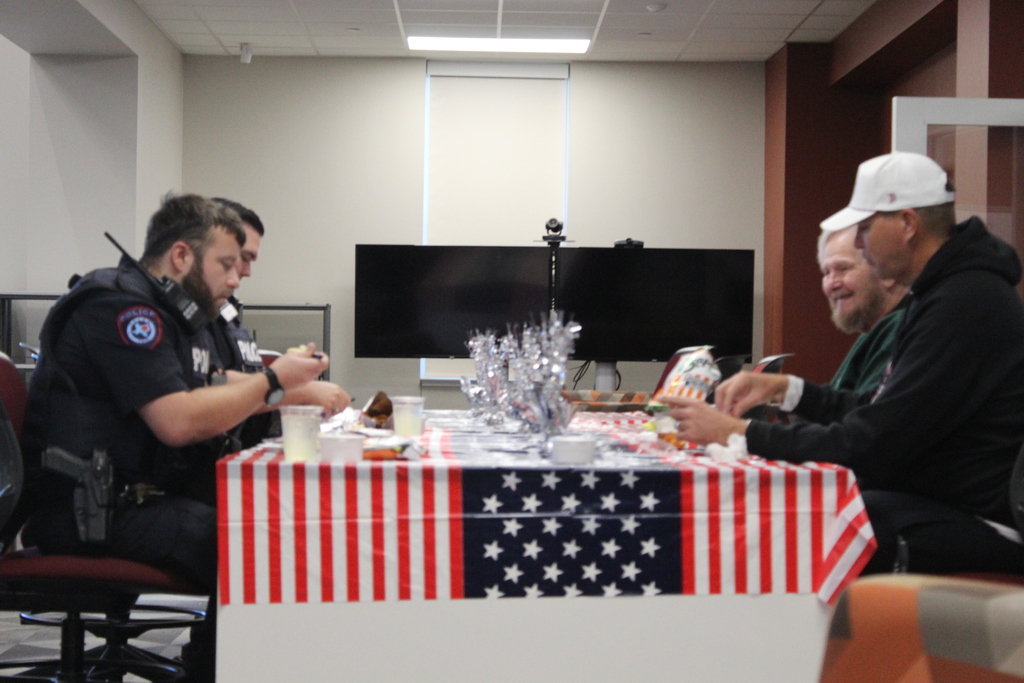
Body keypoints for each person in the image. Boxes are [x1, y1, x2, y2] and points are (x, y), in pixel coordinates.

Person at [664, 151, 1024, 576]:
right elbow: (878, 412)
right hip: (931, 503)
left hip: (975, 522)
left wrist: (741, 433)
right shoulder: (940, 295)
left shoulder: (965, 302)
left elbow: (871, 445)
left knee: (802, 516)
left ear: (908, 224)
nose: (858, 242)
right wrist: (786, 391)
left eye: (866, 228)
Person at [18, 194, 329, 683]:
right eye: (226, 264)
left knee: (277, 520)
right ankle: (214, 670)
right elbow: (178, 421)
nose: (235, 279)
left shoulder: (175, 315)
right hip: (87, 509)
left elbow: (212, 385)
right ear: (182, 256)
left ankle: (216, 665)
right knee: (258, 547)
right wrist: (273, 382)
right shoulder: (119, 308)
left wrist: (294, 388)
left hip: (136, 496)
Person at [209, 198, 350, 448]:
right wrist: (292, 389)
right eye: (239, 258)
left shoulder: (225, 309)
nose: (245, 272)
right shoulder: (189, 315)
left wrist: (291, 380)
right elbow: (212, 384)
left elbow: (238, 381)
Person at [819, 225, 910, 394]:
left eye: (843, 268)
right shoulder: (875, 332)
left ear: (886, 273)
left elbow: (863, 417)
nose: (831, 284)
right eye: (826, 272)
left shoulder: (900, 329)